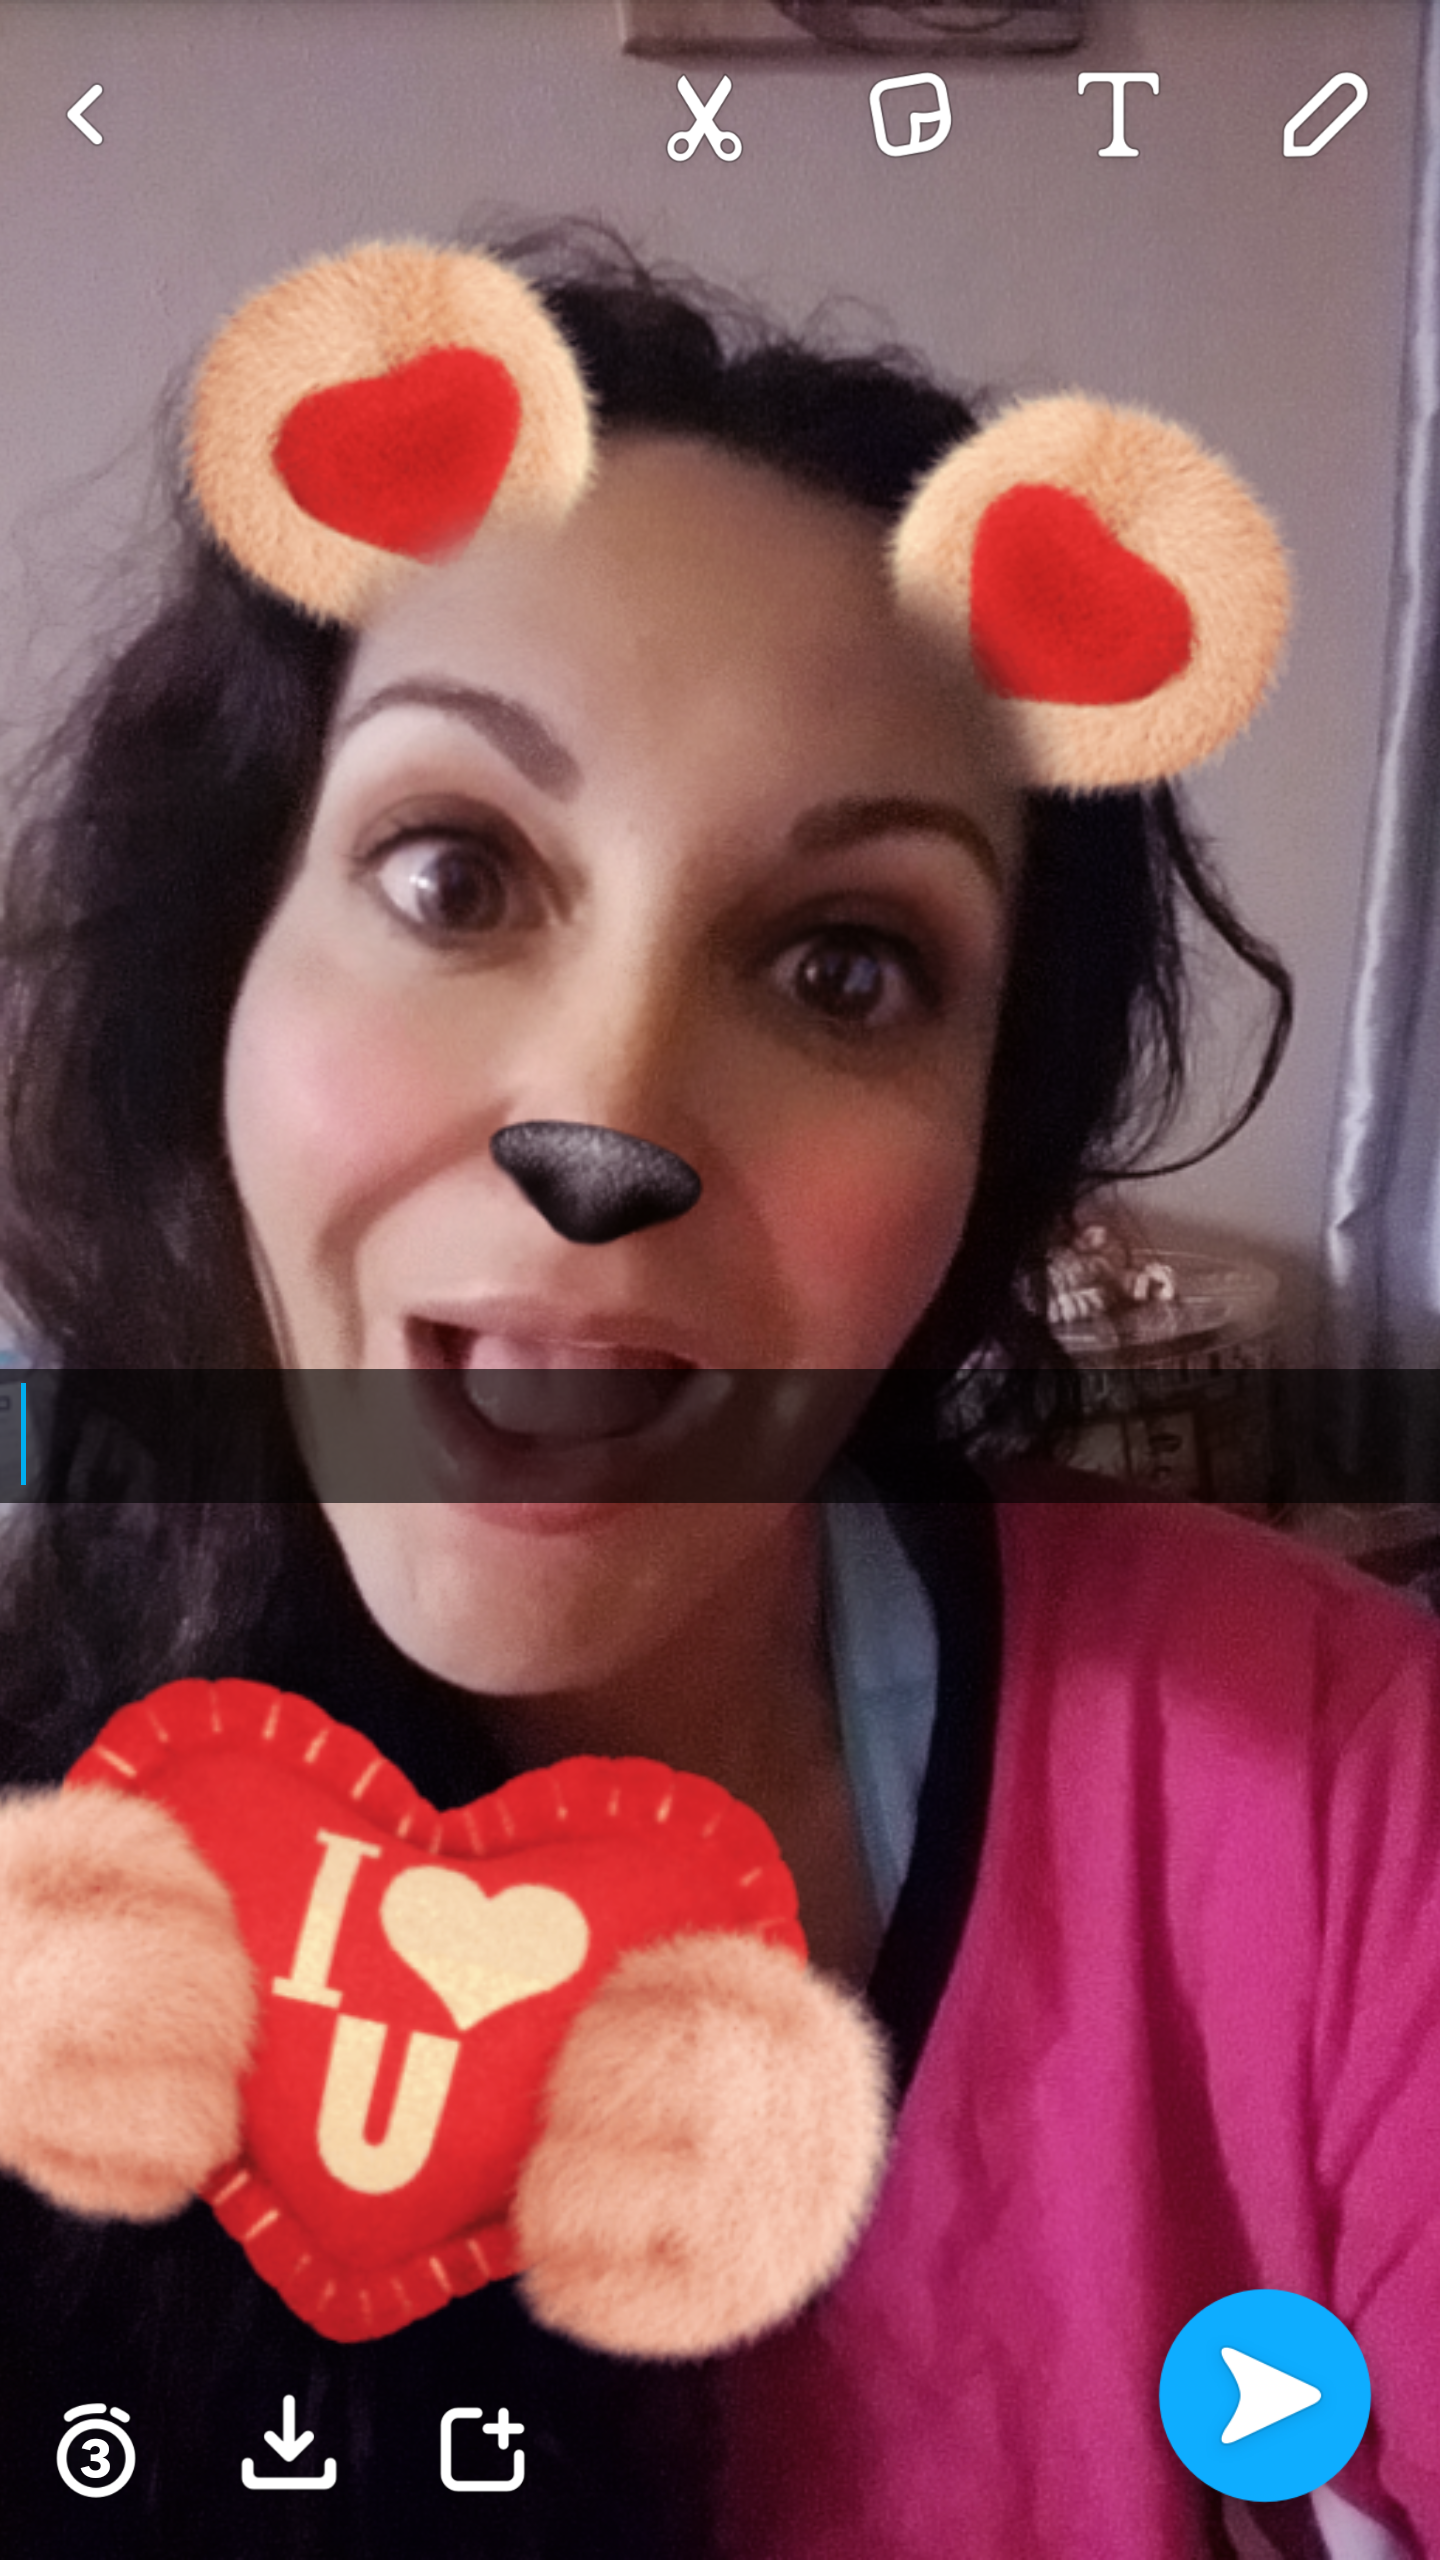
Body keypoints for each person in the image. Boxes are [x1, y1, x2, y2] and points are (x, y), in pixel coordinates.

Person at [0, 229, 1434, 2560]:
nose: (604, 1124)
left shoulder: (1332, 1789)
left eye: (845, 966)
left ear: (985, 1161)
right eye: (455, 870)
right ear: (221, 968)